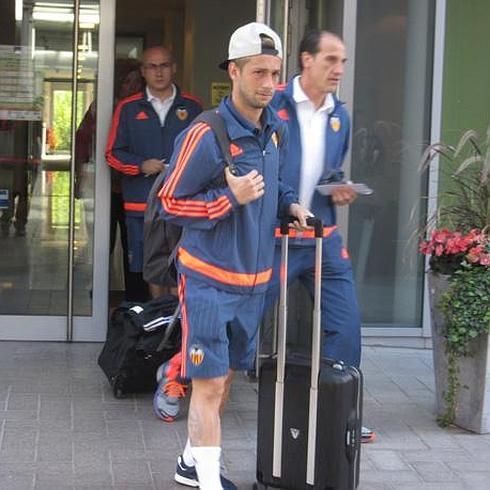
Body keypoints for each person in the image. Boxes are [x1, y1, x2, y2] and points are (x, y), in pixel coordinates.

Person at [159, 22, 310, 490]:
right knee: (206, 384)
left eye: (275, 74)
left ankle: (190, 462)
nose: (268, 84)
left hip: (254, 281)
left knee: (221, 382)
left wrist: (289, 204)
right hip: (207, 280)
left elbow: (275, 183)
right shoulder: (207, 133)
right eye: (258, 73)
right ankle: (208, 481)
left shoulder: (275, 132)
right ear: (234, 71)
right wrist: (229, 199)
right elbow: (169, 202)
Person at [266, 29, 375, 443]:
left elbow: (328, 173)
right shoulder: (272, 103)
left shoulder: (339, 115)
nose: (339, 69)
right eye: (331, 60)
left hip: (322, 238)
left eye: (343, 61)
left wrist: (339, 188)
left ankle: (337, 409)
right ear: (306, 60)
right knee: (237, 319)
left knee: (345, 323)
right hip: (274, 236)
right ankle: (178, 374)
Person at [105, 46, 202, 300]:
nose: (158, 72)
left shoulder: (192, 106)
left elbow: (204, 154)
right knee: (151, 271)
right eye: (152, 66)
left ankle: (177, 331)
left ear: (174, 68)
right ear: (143, 72)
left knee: (180, 268)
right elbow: (112, 153)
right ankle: (158, 331)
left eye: (164, 65)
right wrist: (140, 165)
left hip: (181, 205)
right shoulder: (127, 108)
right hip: (142, 206)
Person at [76, 58, 145, 302]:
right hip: (103, 188)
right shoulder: (101, 107)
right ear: (117, 84)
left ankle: (135, 301)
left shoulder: (143, 108)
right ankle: (99, 300)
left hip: (134, 191)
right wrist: (78, 177)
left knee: (134, 248)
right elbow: (81, 140)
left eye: (138, 81)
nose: (133, 86)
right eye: (128, 82)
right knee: (102, 245)